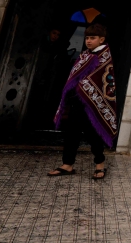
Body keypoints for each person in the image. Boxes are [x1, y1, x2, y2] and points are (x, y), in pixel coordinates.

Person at [47, 22, 118, 179]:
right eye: (87, 38)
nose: (89, 41)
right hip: (77, 101)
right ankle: (67, 164)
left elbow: (102, 81)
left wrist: (85, 89)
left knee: (93, 134)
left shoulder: (104, 57)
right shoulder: (84, 55)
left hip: (92, 104)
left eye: (92, 38)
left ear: (101, 39)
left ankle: (100, 165)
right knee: (71, 133)